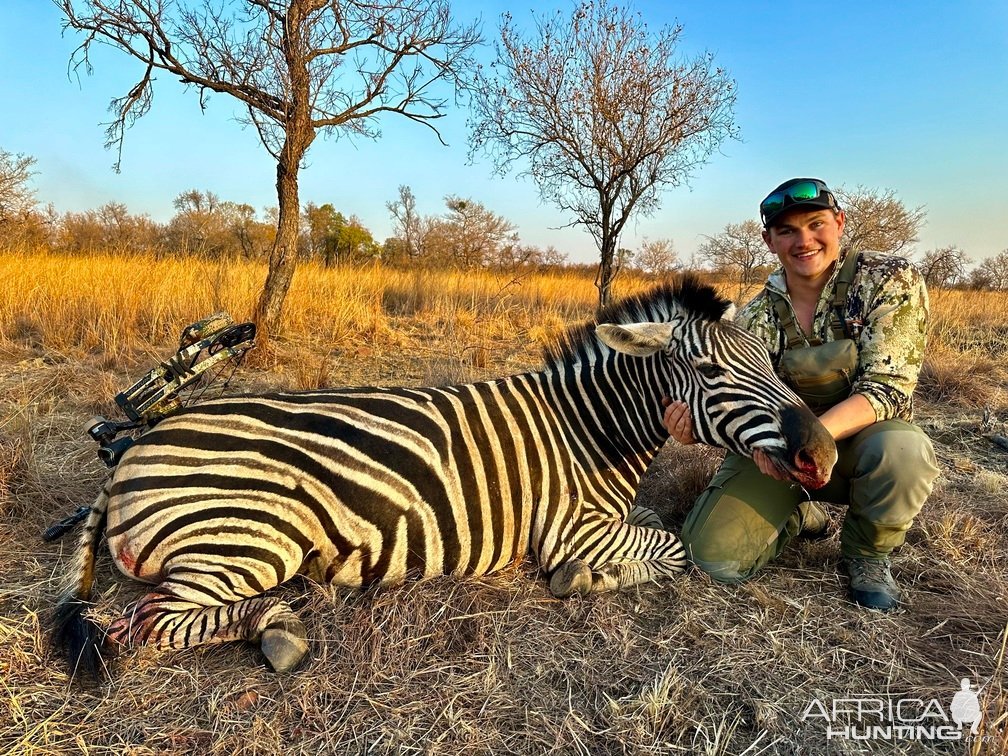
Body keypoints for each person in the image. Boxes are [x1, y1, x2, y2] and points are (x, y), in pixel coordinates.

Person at [664, 177, 939, 611]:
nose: (804, 240)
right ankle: (798, 516)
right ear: (768, 240)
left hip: (859, 444)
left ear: (840, 223)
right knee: (708, 559)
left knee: (905, 450)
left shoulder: (890, 281)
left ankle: (867, 555)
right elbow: (735, 402)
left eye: (816, 224)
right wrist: (694, 430)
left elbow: (889, 390)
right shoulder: (753, 316)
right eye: (787, 231)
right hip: (777, 454)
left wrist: (806, 441)